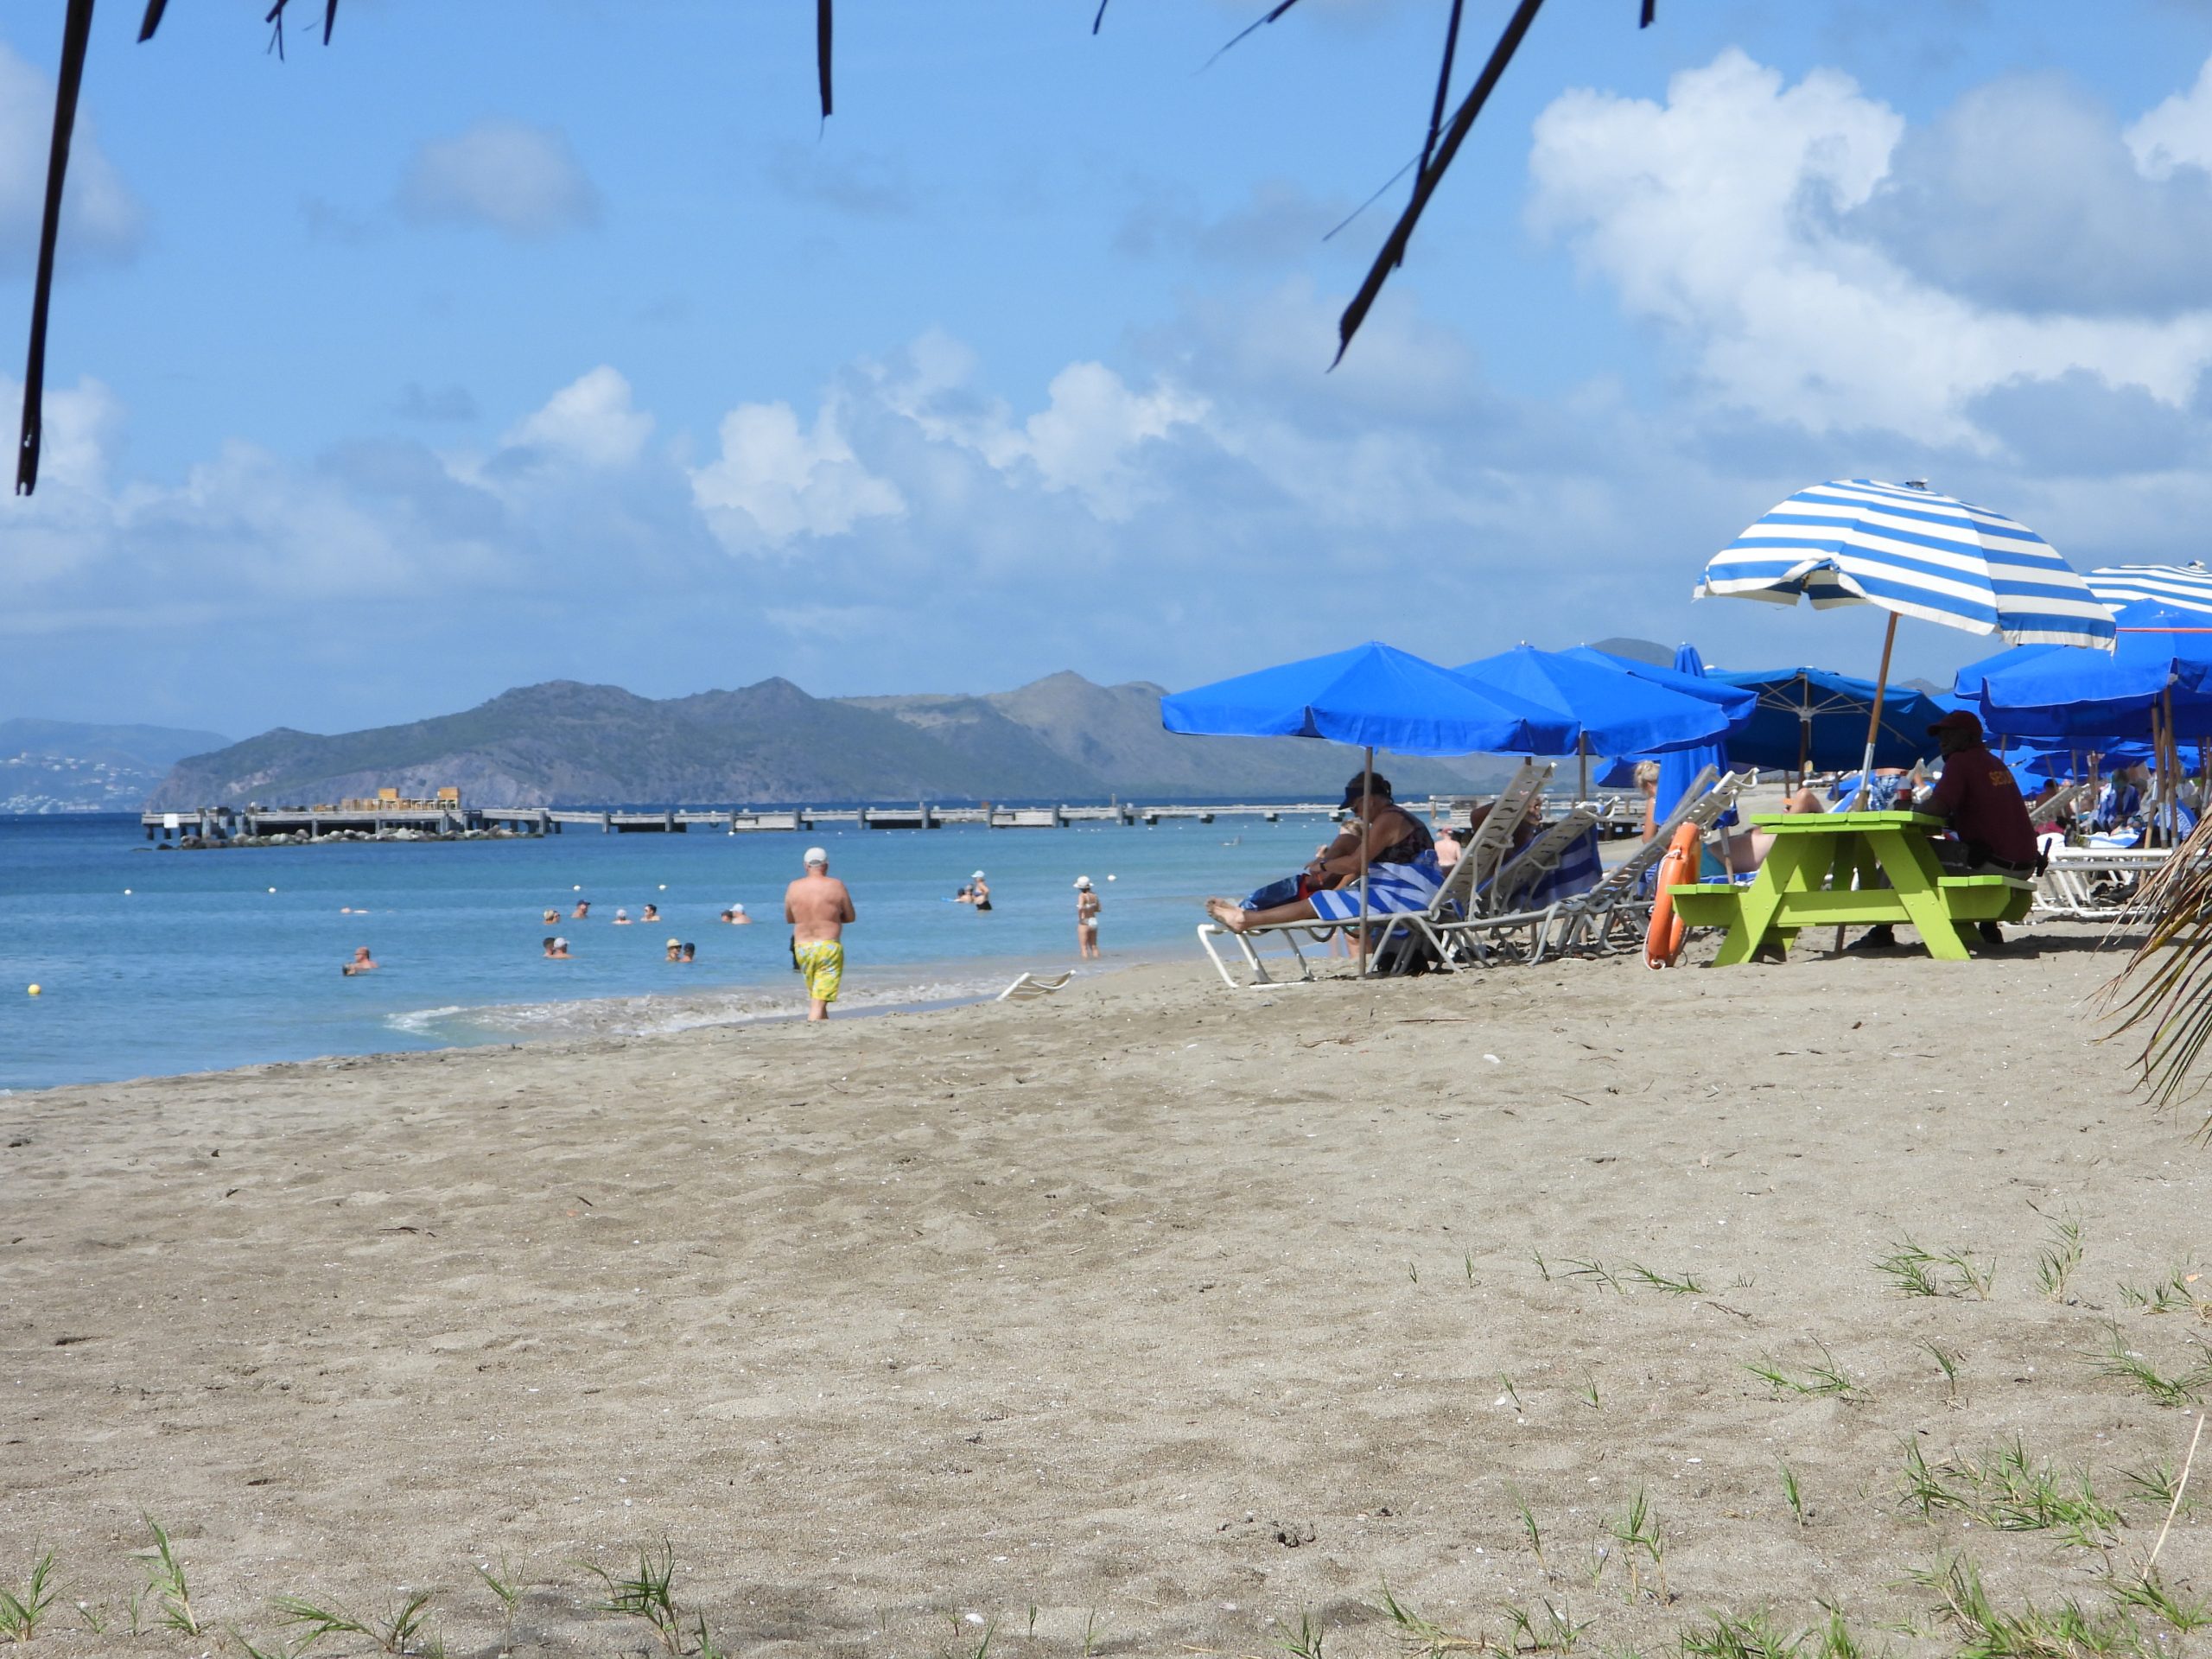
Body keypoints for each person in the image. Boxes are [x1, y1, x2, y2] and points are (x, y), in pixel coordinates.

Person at [1205, 770, 1440, 957]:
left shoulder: (1389, 819)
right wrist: (1326, 862)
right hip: (1407, 889)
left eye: (1355, 808)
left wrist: (1323, 866)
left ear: (1368, 801)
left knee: (1319, 902)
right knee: (1347, 839)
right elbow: (1356, 854)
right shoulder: (1393, 816)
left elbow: (1354, 865)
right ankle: (1302, 888)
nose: (1356, 814)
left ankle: (1247, 918)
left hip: (1411, 895)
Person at [1855, 709, 2037, 950]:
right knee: (1948, 851)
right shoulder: (1994, 763)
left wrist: (1909, 807)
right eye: (1941, 736)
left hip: (1995, 863)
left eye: (1950, 735)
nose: (1943, 742)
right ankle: (1988, 927)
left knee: (1903, 852)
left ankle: (1880, 928)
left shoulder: (1962, 761)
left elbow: (1938, 808)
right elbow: (1978, 815)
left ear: (1969, 738)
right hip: (2024, 864)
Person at [785, 847, 855, 1021]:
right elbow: (850, 917)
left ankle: (823, 1031)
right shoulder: (835, 885)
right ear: (826, 866)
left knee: (818, 997)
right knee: (818, 1002)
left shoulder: (793, 887)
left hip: (802, 948)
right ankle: (811, 1028)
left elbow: (790, 918)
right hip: (827, 947)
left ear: (805, 866)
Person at [1074, 875, 1102, 958]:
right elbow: (1098, 909)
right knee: (1094, 946)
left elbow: (1081, 907)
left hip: (1085, 921)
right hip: (1093, 920)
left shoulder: (1082, 896)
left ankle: (1086, 965)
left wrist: (1080, 913)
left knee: (1083, 947)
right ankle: (1097, 962)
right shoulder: (1094, 896)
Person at [1635, 760, 1662, 840]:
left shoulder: (1654, 801)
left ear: (1648, 785)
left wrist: (1646, 829)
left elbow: (1648, 839)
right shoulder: (1677, 796)